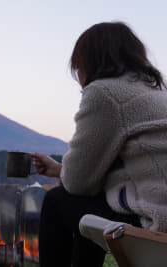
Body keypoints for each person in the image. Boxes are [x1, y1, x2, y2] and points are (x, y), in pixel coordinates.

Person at [33, 21, 167, 267]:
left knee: (57, 202)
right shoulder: (157, 92)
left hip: (155, 224)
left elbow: (78, 184)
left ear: (89, 62)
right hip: (157, 210)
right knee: (89, 211)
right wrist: (57, 169)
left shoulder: (105, 93)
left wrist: (65, 174)